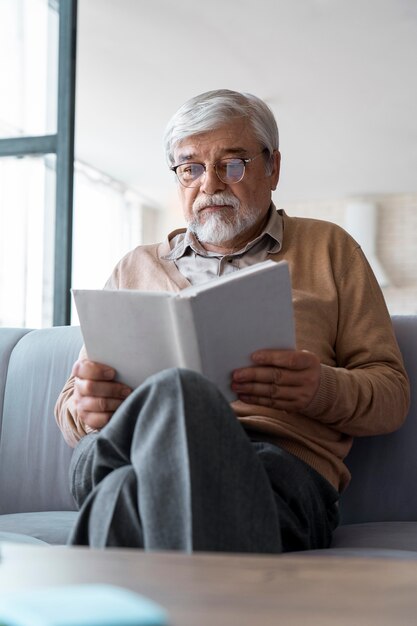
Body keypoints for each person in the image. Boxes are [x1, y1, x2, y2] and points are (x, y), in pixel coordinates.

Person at [55, 89, 410, 553]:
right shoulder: (133, 267)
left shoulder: (331, 249)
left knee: (124, 489)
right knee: (141, 435)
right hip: (126, 452)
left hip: (272, 470)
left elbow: (392, 395)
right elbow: (68, 409)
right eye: (191, 168)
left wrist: (319, 388)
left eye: (233, 164)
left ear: (273, 168)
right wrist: (84, 407)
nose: (210, 185)